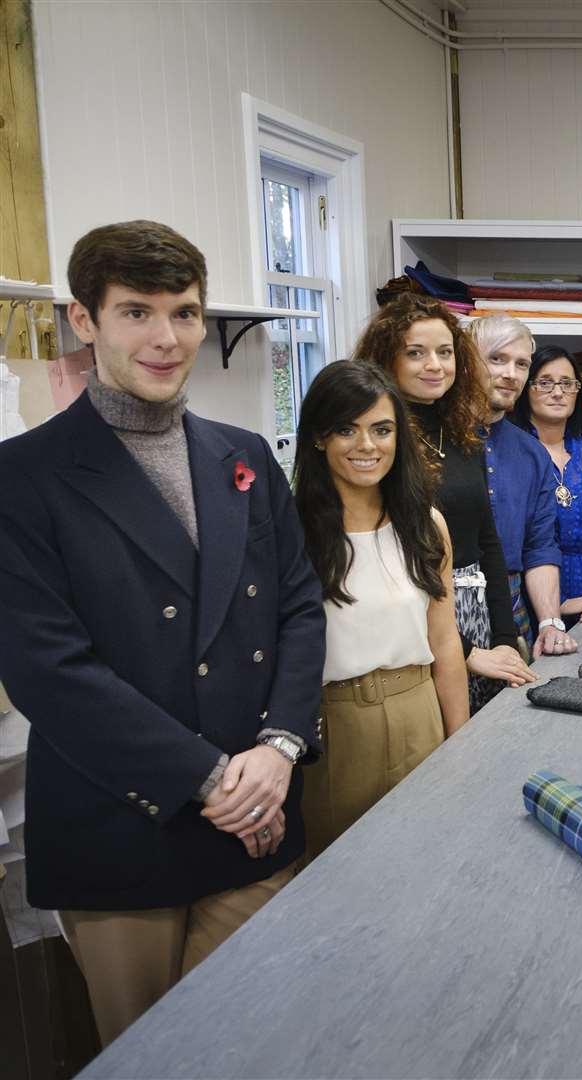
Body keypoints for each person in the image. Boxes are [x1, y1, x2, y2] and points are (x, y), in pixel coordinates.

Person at [0, 221, 325, 1043]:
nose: (166, 338)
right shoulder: (24, 476)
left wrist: (280, 748)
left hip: (258, 820)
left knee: (260, 1044)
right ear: (85, 321)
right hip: (124, 827)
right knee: (153, 1055)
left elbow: (297, 606)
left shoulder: (242, 455)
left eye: (183, 313)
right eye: (136, 312)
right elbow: (47, 669)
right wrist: (214, 779)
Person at [292, 362, 468, 858]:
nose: (367, 446)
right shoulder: (290, 533)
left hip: (420, 712)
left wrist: (461, 740)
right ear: (319, 438)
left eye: (382, 430)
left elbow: (444, 639)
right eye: (347, 429)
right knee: (336, 875)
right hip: (335, 726)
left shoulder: (426, 526)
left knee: (426, 863)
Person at [354, 297, 543, 715]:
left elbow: (487, 542)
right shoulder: (377, 439)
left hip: (479, 618)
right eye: (416, 353)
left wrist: (506, 642)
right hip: (419, 627)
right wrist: (468, 651)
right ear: (387, 359)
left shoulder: (460, 431)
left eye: (445, 352)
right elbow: (385, 566)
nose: (435, 365)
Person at [467, 315, 572, 649]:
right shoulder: (436, 442)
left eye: (522, 364)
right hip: (442, 603)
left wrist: (550, 623)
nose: (511, 374)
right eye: (497, 359)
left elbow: (540, 546)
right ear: (467, 359)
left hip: (512, 603)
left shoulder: (531, 452)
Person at [511, 345, 582, 625]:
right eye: (545, 383)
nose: (558, 391)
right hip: (527, 606)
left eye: (567, 383)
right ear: (526, 390)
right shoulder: (511, 453)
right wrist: (557, 604)